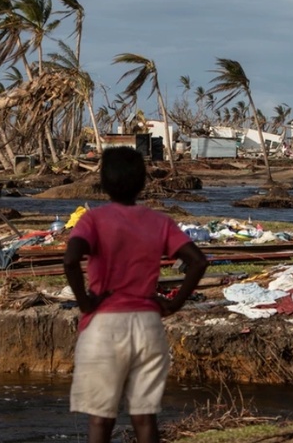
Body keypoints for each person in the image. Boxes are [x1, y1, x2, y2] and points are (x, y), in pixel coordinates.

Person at [63, 147, 209, 443]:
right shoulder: (160, 222)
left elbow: (70, 259)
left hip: (104, 325)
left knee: (101, 421)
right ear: (143, 183)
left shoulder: (92, 221)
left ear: (102, 183)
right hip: (146, 324)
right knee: (145, 419)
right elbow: (198, 261)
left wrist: (86, 302)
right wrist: (174, 303)